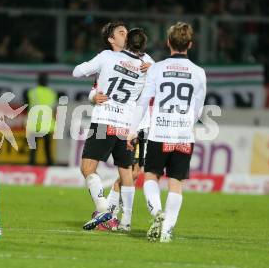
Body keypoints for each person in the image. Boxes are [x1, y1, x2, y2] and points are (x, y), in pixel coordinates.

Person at [127, 22, 207, 242]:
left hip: (159, 133)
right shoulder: (199, 73)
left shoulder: (157, 68)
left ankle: (157, 213)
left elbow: (143, 102)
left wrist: (132, 129)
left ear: (168, 42)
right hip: (183, 135)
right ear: (190, 44)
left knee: (151, 175)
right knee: (176, 182)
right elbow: (198, 110)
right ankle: (167, 231)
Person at [72, 22, 149, 230]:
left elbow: (77, 72)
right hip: (126, 126)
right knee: (126, 172)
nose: (126, 34)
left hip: (105, 120)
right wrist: (92, 95)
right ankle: (124, 222)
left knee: (88, 168)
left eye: (127, 32)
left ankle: (104, 208)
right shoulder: (145, 62)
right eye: (121, 32)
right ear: (111, 39)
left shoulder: (106, 57)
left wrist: (93, 91)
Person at [26, 73, 57, 166]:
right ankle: (50, 165)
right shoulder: (52, 93)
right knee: (47, 148)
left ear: (38, 81)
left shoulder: (32, 92)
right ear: (47, 82)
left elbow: (28, 105)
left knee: (33, 148)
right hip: (47, 124)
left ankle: (31, 165)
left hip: (34, 123)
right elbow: (53, 109)